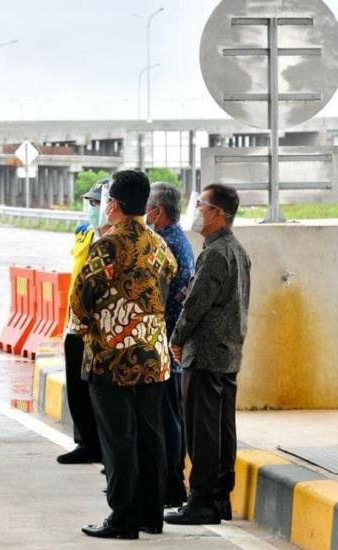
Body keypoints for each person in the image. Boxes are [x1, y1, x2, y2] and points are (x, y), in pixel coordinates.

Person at [71, 169, 177, 540]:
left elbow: (81, 297)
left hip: (111, 358)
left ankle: (123, 518)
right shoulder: (157, 243)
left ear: (113, 205)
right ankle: (151, 514)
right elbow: (171, 275)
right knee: (151, 435)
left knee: (118, 439)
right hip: (153, 357)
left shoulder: (108, 244)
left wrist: (92, 332)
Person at [165, 184, 251, 525]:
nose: (196, 210)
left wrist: (177, 337)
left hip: (205, 353)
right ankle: (218, 498)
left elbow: (195, 303)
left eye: (200, 204)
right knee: (221, 429)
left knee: (202, 431)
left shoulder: (216, 253)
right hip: (227, 351)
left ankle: (202, 500)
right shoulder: (236, 250)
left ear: (217, 213)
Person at [146, 183, 196, 507]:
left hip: (166, 345)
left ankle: (171, 485)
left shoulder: (164, 243)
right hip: (171, 346)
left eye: (149, 207)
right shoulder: (180, 240)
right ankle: (170, 484)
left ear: (158, 211)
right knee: (171, 419)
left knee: (166, 420)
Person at [56, 180, 109, 465]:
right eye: (90, 202)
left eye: (97, 203)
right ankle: (85, 442)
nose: (91, 208)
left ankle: (100, 444)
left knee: (99, 391)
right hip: (76, 322)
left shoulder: (116, 241)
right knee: (76, 386)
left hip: (100, 328)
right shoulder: (85, 233)